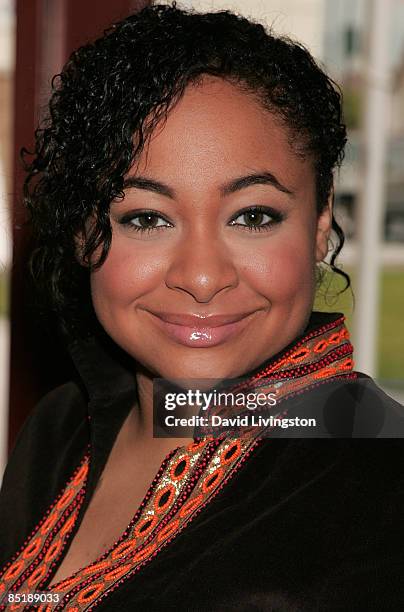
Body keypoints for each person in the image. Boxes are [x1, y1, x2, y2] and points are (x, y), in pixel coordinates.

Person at [0, 3, 403, 610]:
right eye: (147, 218)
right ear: (84, 234)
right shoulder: (57, 431)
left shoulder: (380, 486)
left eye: (253, 216)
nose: (203, 276)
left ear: (320, 224)